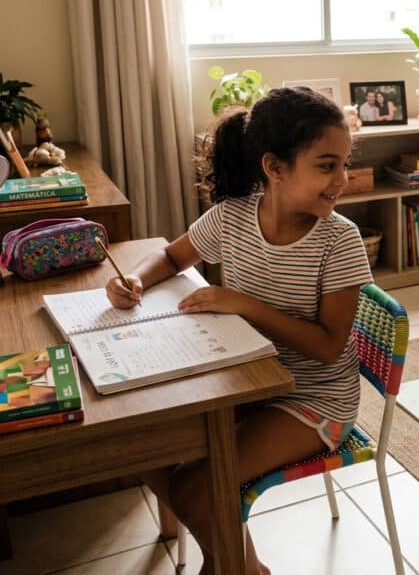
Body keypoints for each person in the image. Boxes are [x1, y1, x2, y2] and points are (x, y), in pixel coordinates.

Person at [106, 87, 373, 575]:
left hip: (315, 401)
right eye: (326, 165)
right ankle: (242, 564)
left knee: (197, 486)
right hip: (246, 376)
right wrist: (135, 280)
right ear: (274, 167)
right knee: (142, 445)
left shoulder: (340, 241)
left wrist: (246, 305)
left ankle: (234, 565)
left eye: (344, 163)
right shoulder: (233, 217)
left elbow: (329, 348)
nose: (343, 179)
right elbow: (170, 255)